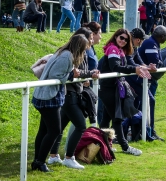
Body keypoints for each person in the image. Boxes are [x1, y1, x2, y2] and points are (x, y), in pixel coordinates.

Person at [31, 34, 89, 172]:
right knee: (54, 131)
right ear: (79, 47)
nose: (84, 52)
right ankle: (40, 161)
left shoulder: (61, 52)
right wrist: (71, 75)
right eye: (84, 49)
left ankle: (36, 161)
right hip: (49, 97)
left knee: (44, 130)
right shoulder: (67, 56)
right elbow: (55, 76)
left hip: (44, 95)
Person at [47, 28, 100, 169]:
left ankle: (53, 156)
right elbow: (74, 72)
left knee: (60, 127)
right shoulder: (71, 54)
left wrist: (86, 76)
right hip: (69, 95)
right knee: (81, 126)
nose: (91, 40)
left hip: (71, 93)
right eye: (90, 38)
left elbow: (78, 73)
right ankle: (69, 157)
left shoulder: (77, 52)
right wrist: (88, 74)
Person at [99, 28, 151, 156]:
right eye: (121, 38)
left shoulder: (120, 50)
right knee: (117, 119)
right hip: (108, 88)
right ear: (115, 37)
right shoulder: (113, 49)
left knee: (106, 119)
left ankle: (103, 145)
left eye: (126, 39)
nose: (123, 40)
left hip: (112, 88)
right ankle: (125, 146)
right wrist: (135, 68)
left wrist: (144, 67)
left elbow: (131, 63)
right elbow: (116, 67)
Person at [137, 25, 166, 141]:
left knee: (147, 103)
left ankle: (149, 131)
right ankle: (149, 132)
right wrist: (161, 63)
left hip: (147, 79)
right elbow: (154, 62)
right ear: (161, 36)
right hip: (142, 79)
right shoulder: (151, 43)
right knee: (148, 103)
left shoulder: (154, 43)